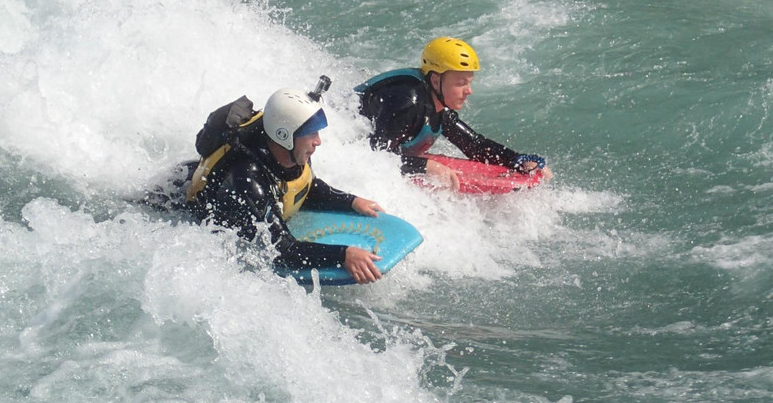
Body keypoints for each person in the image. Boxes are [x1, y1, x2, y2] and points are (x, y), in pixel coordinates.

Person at [184, 78, 385, 284]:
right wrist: (343, 255)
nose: (318, 141)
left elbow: (304, 187)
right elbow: (282, 251)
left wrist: (351, 201)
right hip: (177, 209)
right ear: (284, 135)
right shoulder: (247, 178)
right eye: (311, 134)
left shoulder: (290, 149)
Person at [355, 37, 550, 189]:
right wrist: (425, 166)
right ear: (435, 81)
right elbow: (373, 156)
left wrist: (518, 160)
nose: (469, 91)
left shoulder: (439, 108)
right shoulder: (406, 104)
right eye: (460, 83)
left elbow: (475, 146)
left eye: (469, 82)